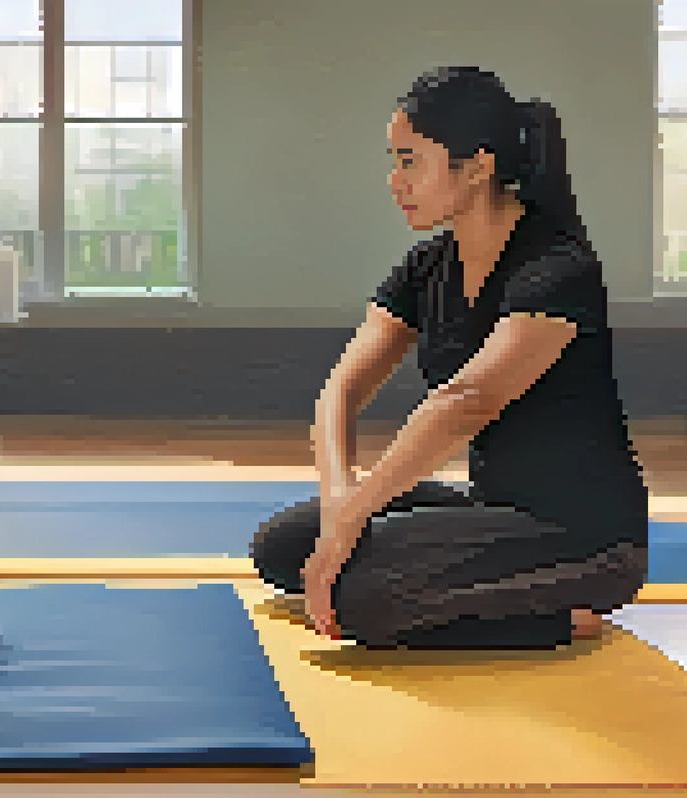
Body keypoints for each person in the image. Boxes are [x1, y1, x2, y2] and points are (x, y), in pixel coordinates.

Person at [250, 67, 649, 649]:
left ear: (479, 167)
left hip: (583, 536)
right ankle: (446, 582)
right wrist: (339, 501)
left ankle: (562, 616)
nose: (395, 180)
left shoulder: (558, 268)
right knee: (284, 545)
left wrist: (358, 513)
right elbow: (342, 389)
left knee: (365, 598)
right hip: (494, 509)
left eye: (411, 161)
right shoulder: (427, 266)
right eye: (394, 160)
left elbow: (466, 402)